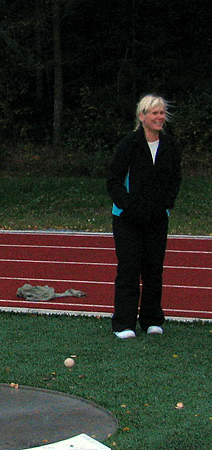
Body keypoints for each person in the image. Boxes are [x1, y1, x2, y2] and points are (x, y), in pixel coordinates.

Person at [106, 94, 182, 339]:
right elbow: (114, 180)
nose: (160, 117)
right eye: (155, 113)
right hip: (127, 218)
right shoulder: (129, 144)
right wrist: (128, 206)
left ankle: (152, 320)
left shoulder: (169, 146)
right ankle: (123, 323)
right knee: (129, 269)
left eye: (162, 113)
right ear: (142, 116)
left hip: (157, 218)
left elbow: (175, 179)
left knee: (153, 270)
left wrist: (165, 204)